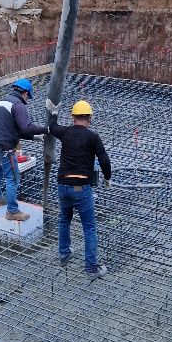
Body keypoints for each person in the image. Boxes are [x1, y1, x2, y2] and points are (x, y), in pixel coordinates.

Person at [50, 99, 111, 281]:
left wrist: (54, 112)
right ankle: (91, 269)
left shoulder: (66, 132)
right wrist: (107, 178)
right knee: (89, 228)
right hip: (81, 188)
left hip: (63, 186)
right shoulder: (93, 137)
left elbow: (52, 127)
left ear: (73, 117)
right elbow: (104, 160)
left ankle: (64, 255)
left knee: (64, 220)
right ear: (89, 118)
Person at [0, 78, 48, 221]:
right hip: (4, 148)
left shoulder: (4, 101)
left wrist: (35, 137)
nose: (27, 99)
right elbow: (27, 127)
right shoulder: (18, 105)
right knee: (12, 178)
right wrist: (46, 129)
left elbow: (12, 128)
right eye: (28, 96)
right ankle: (12, 211)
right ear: (25, 93)